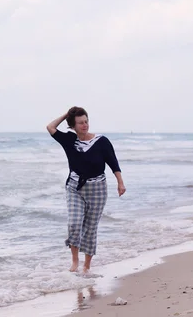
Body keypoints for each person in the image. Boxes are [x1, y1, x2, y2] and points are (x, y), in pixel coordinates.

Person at [46, 106, 126, 273]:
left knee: (90, 227)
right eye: (80, 123)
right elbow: (50, 127)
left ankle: (87, 265)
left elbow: (113, 162)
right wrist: (67, 115)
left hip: (97, 189)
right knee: (74, 223)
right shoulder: (69, 140)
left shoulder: (101, 141)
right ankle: (75, 261)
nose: (84, 125)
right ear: (73, 126)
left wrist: (120, 182)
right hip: (75, 188)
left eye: (86, 121)